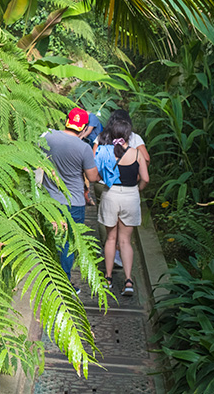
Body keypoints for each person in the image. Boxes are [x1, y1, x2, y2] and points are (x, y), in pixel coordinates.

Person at [41, 108, 100, 291]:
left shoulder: (47, 136)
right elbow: (92, 177)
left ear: (67, 121)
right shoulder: (83, 148)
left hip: (49, 200)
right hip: (73, 203)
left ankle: (50, 280)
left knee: (51, 240)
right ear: (83, 128)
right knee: (67, 244)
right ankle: (64, 284)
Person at [96, 115, 149, 296]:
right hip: (131, 196)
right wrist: (137, 190)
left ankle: (108, 278)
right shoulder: (137, 153)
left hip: (110, 195)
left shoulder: (104, 151)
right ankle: (128, 281)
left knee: (111, 238)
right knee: (125, 241)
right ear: (127, 135)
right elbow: (146, 179)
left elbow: (95, 175)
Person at [105, 109, 150, 268]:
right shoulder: (135, 138)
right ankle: (124, 268)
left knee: (111, 229)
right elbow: (146, 158)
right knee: (125, 233)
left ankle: (110, 268)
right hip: (130, 189)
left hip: (109, 188)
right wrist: (136, 176)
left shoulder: (105, 137)